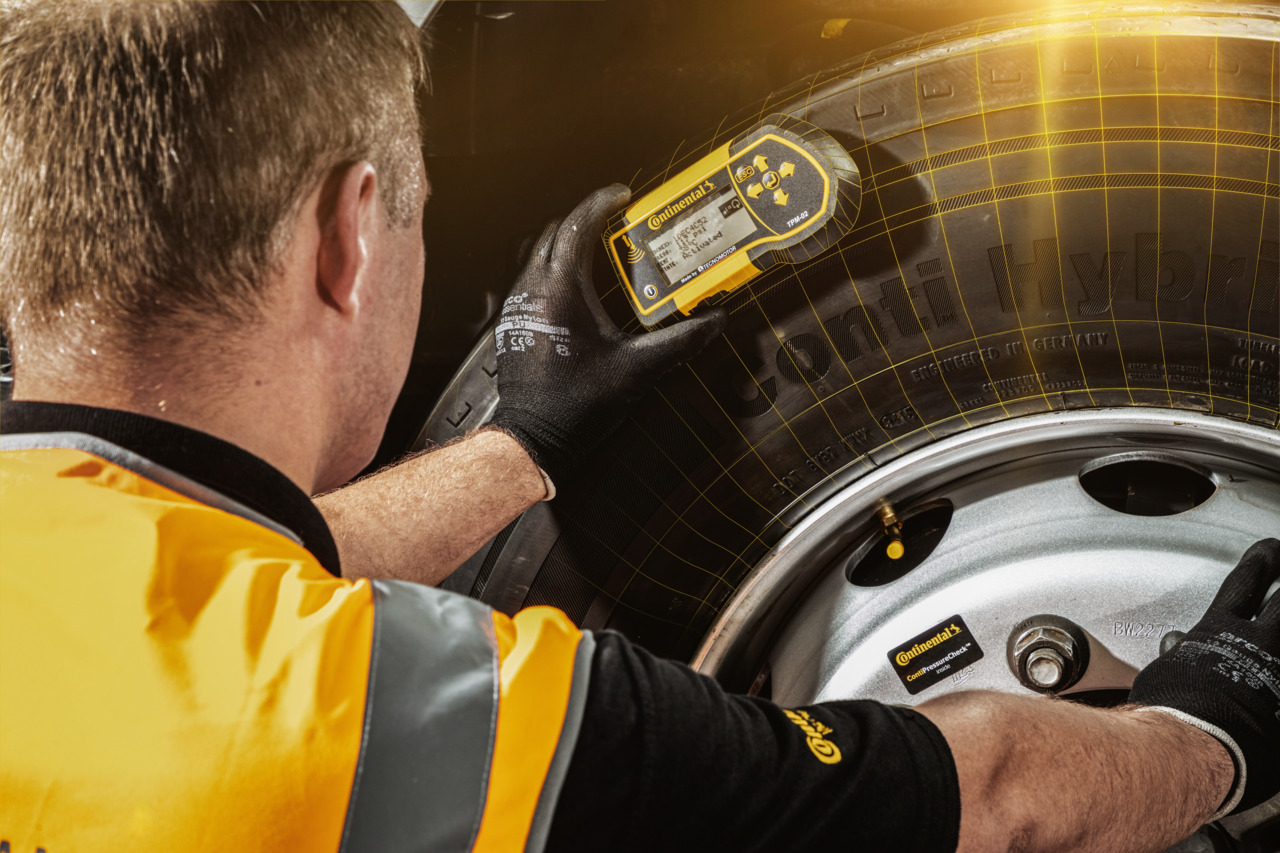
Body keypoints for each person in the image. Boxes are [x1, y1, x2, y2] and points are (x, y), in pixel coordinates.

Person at [0, 3, 1276, 852]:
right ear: (348, 236)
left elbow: (200, 585)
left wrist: (520, 448)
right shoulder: (395, 716)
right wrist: (1207, 729)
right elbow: (986, 795)